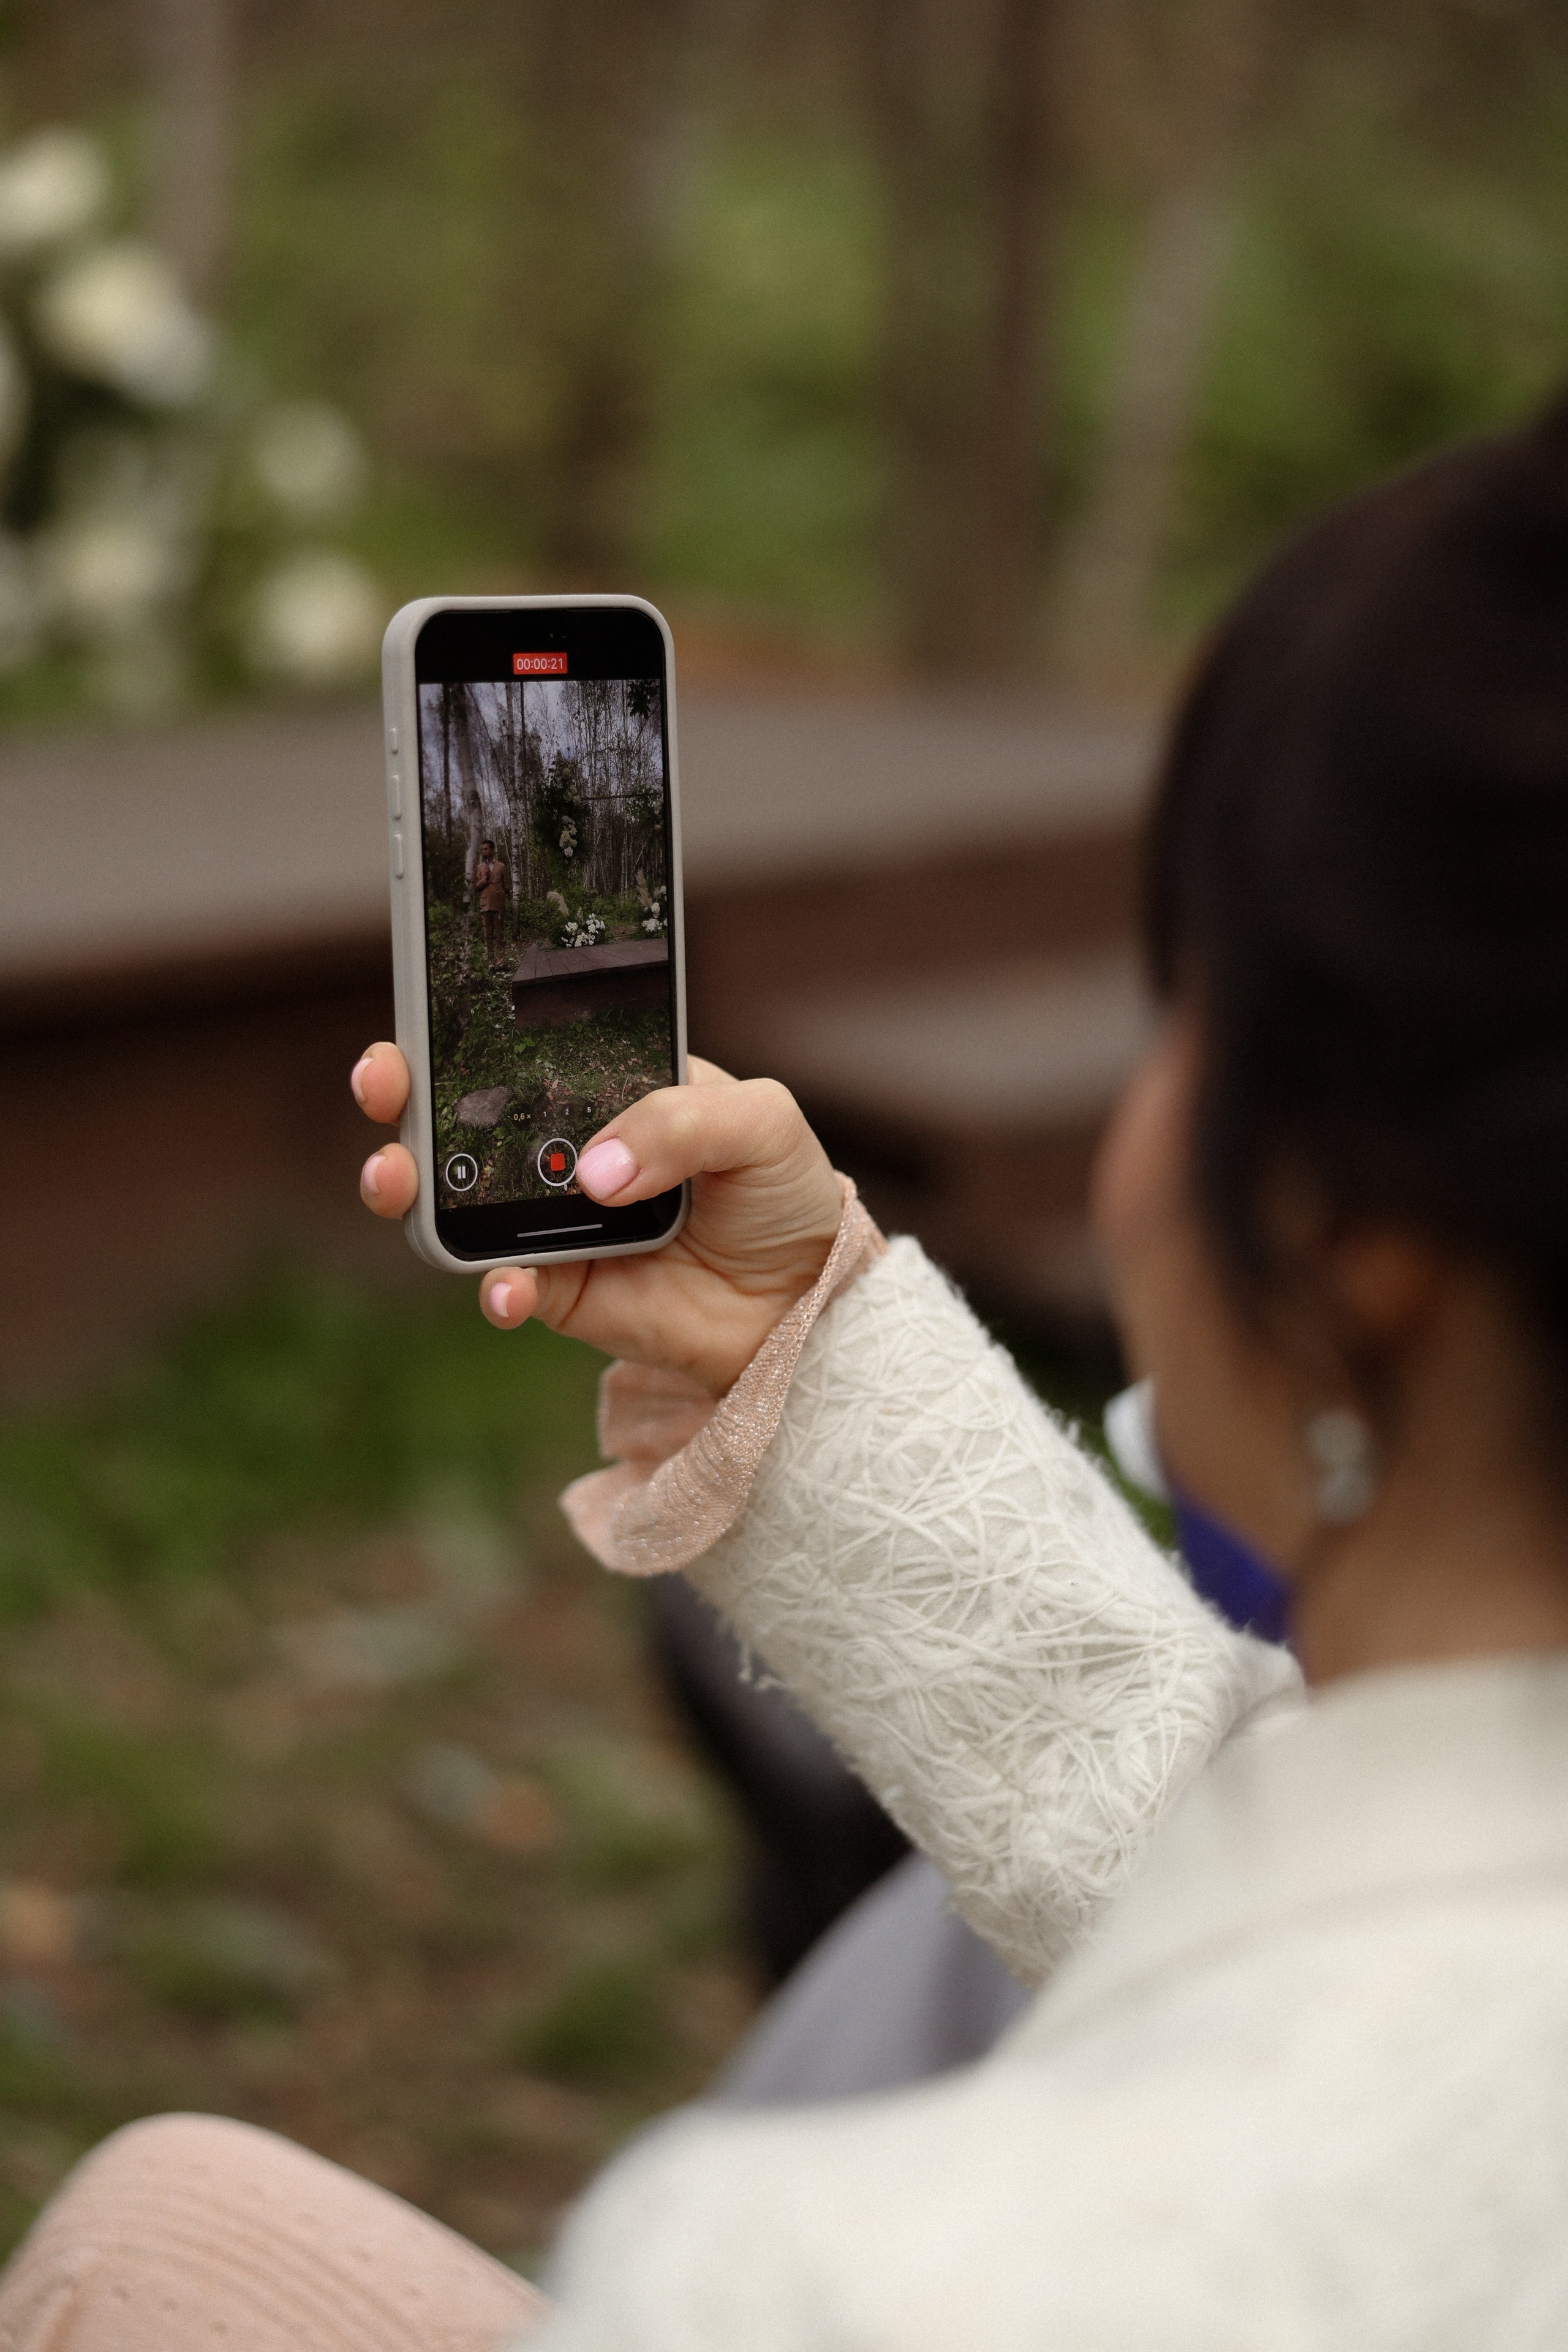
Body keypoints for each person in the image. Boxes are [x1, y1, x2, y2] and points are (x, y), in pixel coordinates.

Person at [8, 398, 1568, 2346]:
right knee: (178, 2222)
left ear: (1353, 1236)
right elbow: (1311, 1901)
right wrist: (801, 1367)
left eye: (1189, 1022)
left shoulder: (806, 2280)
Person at [475, 838, 509, 962]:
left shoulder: (501, 866)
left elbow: (507, 886)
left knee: (500, 935)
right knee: (488, 936)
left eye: (486, 849)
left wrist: (501, 895)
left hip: (498, 905)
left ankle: (501, 962)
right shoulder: (480, 868)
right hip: (485, 905)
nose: (484, 852)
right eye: (483, 850)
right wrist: (485, 878)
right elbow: (477, 886)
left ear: (492, 850)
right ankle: (491, 963)